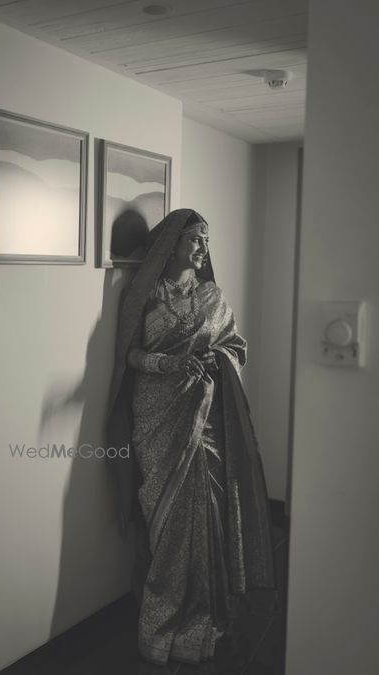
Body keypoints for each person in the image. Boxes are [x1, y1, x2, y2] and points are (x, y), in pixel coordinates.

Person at [105, 209, 276, 666]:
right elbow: (129, 357)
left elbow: (236, 346)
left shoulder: (212, 296)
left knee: (207, 512)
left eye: (206, 241)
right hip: (157, 415)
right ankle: (160, 628)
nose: (203, 248)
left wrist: (215, 359)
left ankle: (203, 619)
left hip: (204, 416)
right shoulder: (144, 295)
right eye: (196, 239)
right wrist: (170, 363)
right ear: (171, 245)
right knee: (166, 519)